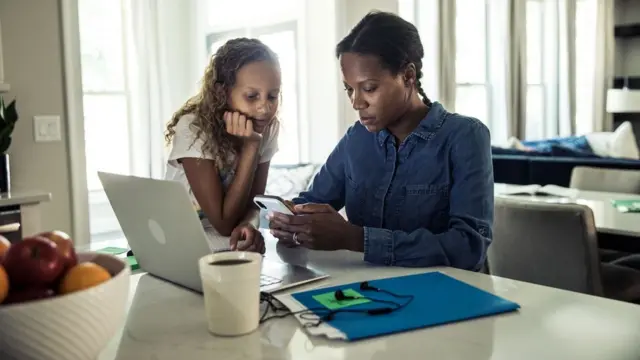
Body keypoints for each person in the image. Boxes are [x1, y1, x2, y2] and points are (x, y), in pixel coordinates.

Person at [268, 11, 494, 270]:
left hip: (448, 296)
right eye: (349, 89)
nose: (356, 102)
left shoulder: (465, 137)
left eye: (369, 88)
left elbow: (468, 248)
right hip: (370, 291)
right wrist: (283, 219)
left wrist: (355, 238)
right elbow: (312, 201)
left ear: (408, 76)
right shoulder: (357, 138)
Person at [165, 38, 282, 254]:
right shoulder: (193, 127)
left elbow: (254, 202)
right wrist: (250, 147)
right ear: (221, 93)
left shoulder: (267, 128)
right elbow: (223, 223)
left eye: (272, 96)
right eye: (251, 96)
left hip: (223, 244)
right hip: (183, 242)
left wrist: (249, 225)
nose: (264, 108)